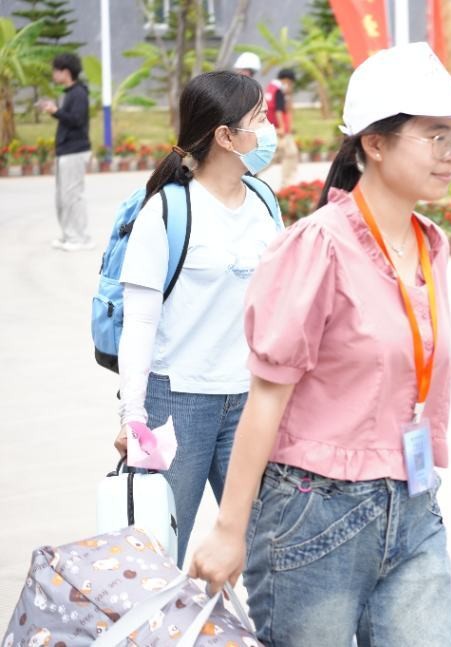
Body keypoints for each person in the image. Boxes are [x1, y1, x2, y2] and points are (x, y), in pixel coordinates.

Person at [187, 42, 451, 646]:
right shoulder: (316, 246)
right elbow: (266, 396)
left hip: (413, 505)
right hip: (314, 513)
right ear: (375, 143)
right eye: (434, 135)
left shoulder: (431, 242)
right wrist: (230, 529)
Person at [112, 71, 283, 567]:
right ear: (226, 136)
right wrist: (133, 415)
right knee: (157, 554)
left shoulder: (264, 201)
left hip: (251, 401)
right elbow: (139, 324)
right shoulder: (166, 210)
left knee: (269, 552)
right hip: (175, 406)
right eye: (259, 119)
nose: (269, 130)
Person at [38, 53, 92, 251]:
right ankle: (69, 235)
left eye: (56, 70)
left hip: (75, 151)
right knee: (63, 197)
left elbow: (76, 120)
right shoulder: (70, 92)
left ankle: (80, 239)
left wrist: (55, 111)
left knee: (73, 196)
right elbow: (69, 118)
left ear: (66, 72)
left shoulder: (79, 93)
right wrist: (55, 111)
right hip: (66, 151)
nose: (53, 74)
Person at [264, 67, 298, 186]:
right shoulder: (279, 90)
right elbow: (278, 110)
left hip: (271, 127)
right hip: (279, 129)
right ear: (287, 80)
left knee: (281, 153)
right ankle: (287, 184)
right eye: (291, 82)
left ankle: (251, 172)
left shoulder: (271, 87)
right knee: (290, 153)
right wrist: (283, 127)